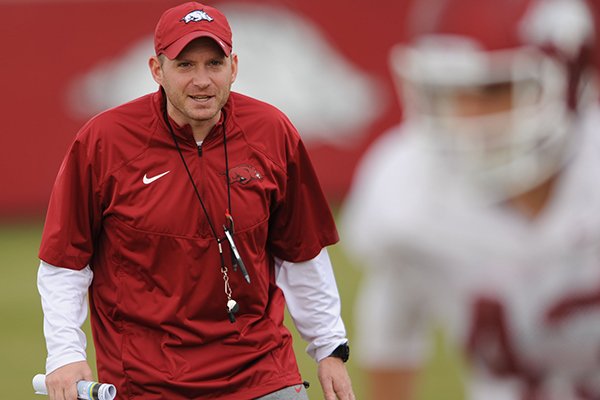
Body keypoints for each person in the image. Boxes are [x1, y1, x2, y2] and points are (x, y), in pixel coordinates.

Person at [36, 2, 355, 399]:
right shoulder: (105, 142)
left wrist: (329, 348)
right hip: (147, 383)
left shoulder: (273, 132)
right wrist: (65, 353)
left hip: (261, 373)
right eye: (185, 65)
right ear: (157, 70)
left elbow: (302, 252)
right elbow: (65, 262)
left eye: (214, 64)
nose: (202, 80)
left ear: (233, 67)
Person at [341, 0, 600, 399]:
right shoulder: (411, 195)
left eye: (495, 89)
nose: (470, 118)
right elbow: (392, 325)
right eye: (451, 95)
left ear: (568, 80)